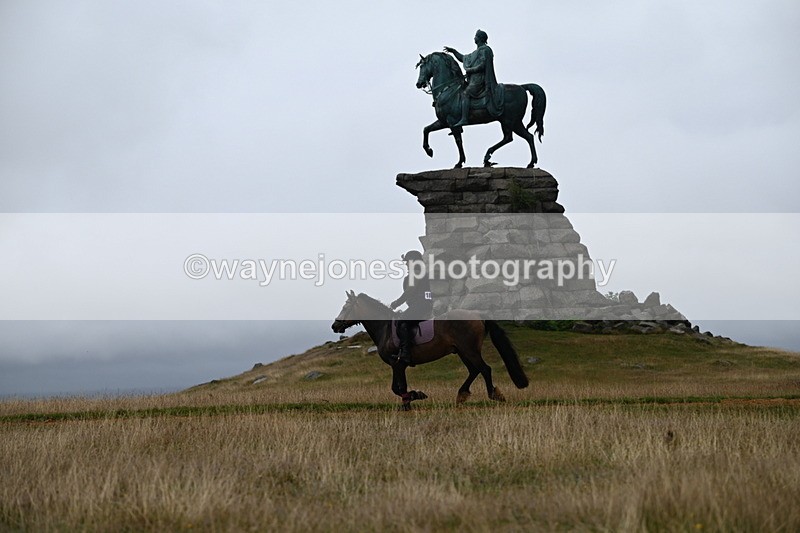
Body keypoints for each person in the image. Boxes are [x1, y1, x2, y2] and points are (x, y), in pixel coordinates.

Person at [444, 29, 503, 127]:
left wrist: (471, 70)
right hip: (473, 79)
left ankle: (464, 119)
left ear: (479, 38)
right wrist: (453, 51)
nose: (474, 38)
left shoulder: (485, 50)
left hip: (480, 79)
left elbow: (483, 65)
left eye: (476, 36)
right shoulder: (476, 52)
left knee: (465, 93)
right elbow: (463, 58)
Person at [390, 250, 433, 365]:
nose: (406, 264)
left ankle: (405, 354)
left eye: (407, 262)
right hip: (424, 304)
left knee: (401, 322)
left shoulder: (416, 273)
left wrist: (396, 303)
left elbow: (410, 291)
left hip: (421, 305)